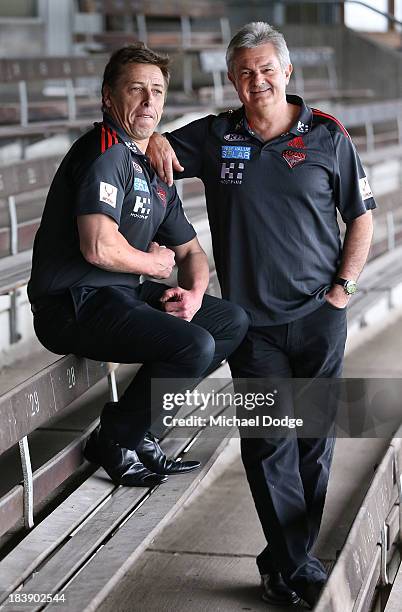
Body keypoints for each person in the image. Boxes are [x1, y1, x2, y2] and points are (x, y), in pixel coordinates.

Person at [146, 22, 375, 609]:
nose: (257, 80)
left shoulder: (328, 136)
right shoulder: (218, 136)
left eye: (267, 68)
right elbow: (154, 146)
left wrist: (343, 290)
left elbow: (361, 217)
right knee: (269, 442)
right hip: (253, 326)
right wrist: (157, 144)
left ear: (288, 72)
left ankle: (284, 563)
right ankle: (299, 570)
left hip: (320, 316)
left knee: (313, 442)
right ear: (232, 79)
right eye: (245, 71)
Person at [27, 44, 249, 489]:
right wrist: (152, 262)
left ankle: (130, 431)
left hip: (117, 297)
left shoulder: (149, 165)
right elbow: (97, 246)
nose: (149, 102)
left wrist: (192, 296)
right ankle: (120, 437)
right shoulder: (103, 152)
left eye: (157, 92)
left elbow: (190, 253)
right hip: (73, 301)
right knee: (192, 346)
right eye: (136, 90)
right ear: (109, 97)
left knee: (229, 321)